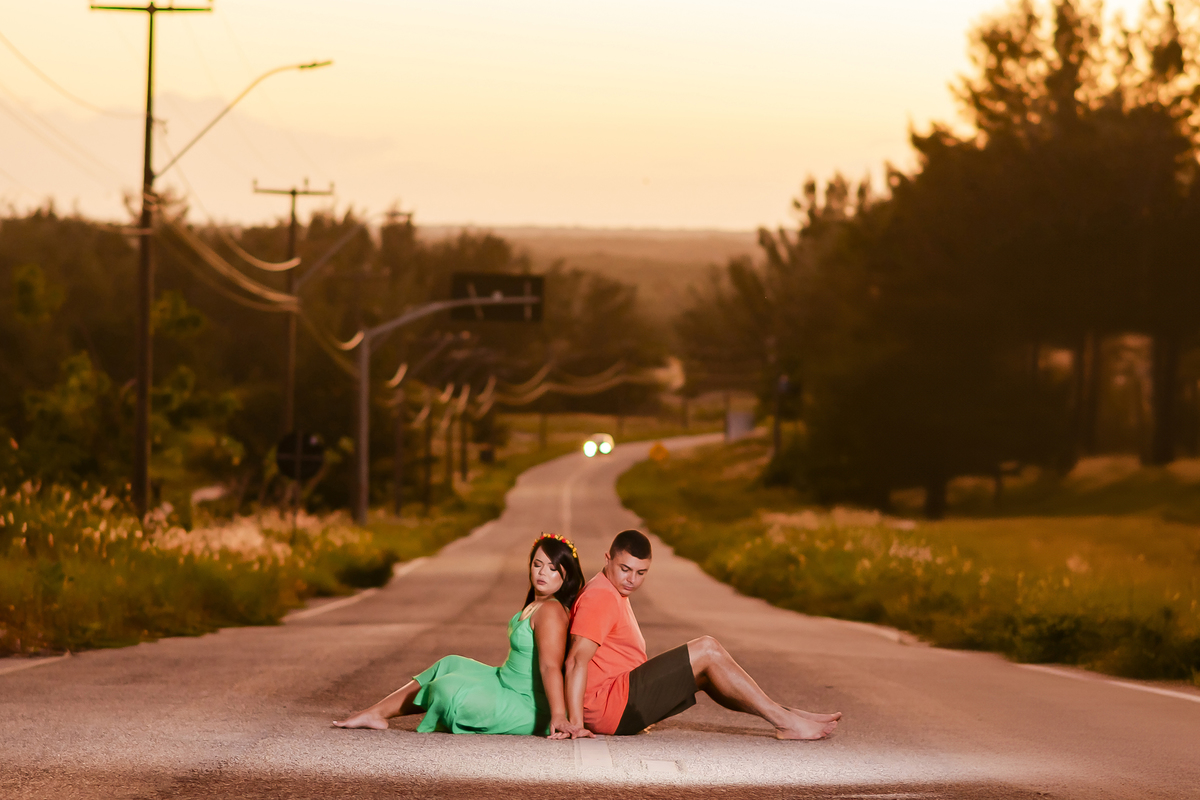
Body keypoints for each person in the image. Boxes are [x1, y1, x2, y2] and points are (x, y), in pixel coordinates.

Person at [564, 529, 841, 740]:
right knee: (707, 649)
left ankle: (788, 714)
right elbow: (576, 660)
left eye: (640, 573)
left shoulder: (612, 590)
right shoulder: (600, 596)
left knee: (708, 673)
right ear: (607, 558)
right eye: (624, 569)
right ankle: (786, 721)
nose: (631, 580)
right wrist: (576, 724)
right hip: (611, 708)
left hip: (620, 700)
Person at [334, 533, 589, 738]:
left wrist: (558, 715)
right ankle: (375, 713)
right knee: (449, 663)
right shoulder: (538, 603)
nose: (542, 572)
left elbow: (549, 666)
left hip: (528, 704)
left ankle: (387, 712)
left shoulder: (552, 611)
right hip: (502, 680)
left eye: (553, 568)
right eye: (537, 564)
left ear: (566, 576)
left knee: (446, 690)